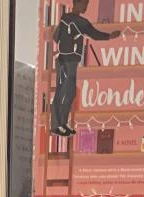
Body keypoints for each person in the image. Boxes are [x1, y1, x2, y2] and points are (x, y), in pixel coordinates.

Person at [51, 0, 121, 137]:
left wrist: (67, 41)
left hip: (62, 59)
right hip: (70, 61)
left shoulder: (64, 18)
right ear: (76, 3)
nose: (86, 7)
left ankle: (60, 124)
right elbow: (95, 35)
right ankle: (58, 125)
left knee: (63, 92)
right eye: (84, 4)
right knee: (67, 92)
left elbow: (55, 37)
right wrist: (110, 36)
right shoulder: (81, 22)